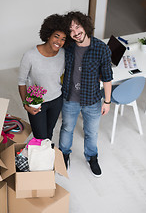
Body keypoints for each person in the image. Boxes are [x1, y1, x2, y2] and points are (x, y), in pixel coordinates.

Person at [59, 11, 113, 177]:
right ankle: (63, 155)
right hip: (70, 98)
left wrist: (107, 102)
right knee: (67, 128)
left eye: (78, 26)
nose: (76, 32)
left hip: (92, 101)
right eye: (71, 30)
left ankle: (91, 157)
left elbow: (107, 77)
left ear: (85, 26)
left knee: (91, 132)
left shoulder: (101, 48)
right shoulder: (67, 47)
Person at [18, 14, 67, 140]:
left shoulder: (64, 54)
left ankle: (46, 158)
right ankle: (40, 157)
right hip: (37, 102)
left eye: (63, 39)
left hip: (56, 100)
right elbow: (21, 82)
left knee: (48, 134)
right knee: (40, 137)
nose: (59, 42)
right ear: (48, 34)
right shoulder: (30, 55)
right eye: (56, 36)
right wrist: (25, 104)